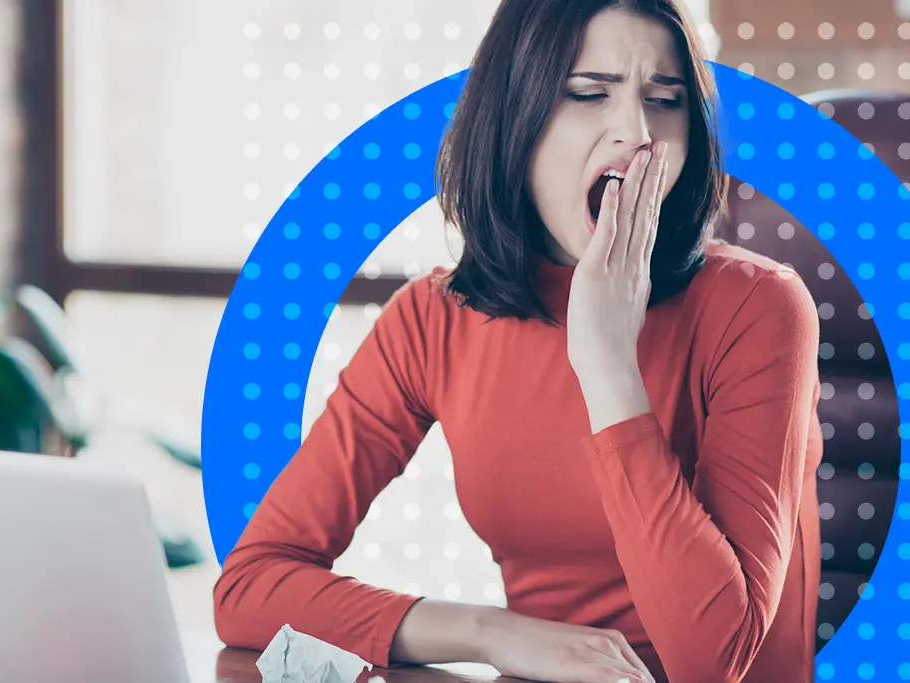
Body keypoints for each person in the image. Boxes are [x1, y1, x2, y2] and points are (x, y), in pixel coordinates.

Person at [213, 1, 824, 681]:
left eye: (665, 99)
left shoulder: (759, 308)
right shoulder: (431, 320)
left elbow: (714, 661)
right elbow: (248, 590)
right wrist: (489, 633)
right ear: (514, 122)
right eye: (590, 93)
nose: (637, 130)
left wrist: (608, 364)